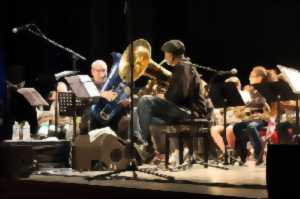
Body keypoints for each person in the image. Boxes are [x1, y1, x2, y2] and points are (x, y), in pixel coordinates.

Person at [135, 39, 209, 162]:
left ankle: (145, 145)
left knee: (145, 100)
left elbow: (181, 95)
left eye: (165, 54)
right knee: (142, 114)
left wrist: (164, 97)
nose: (165, 57)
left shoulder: (183, 67)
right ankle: (150, 148)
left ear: (170, 55)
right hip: (183, 109)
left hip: (190, 111)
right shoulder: (184, 67)